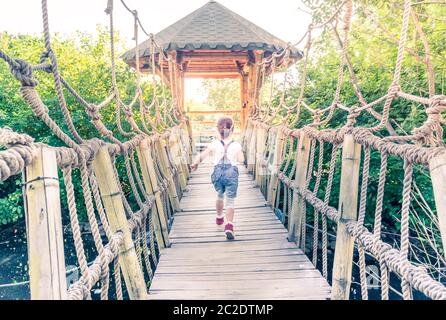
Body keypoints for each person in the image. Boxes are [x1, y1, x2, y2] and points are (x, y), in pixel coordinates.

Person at [191, 117, 244, 239]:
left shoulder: (214, 144)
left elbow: (202, 155)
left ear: (217, 130)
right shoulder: (236, 145)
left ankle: (219, 217)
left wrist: (195, 164)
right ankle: (229, 225)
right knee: (230, 200)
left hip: (217, 173)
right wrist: (239, 157)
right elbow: (241, 160)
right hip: (231, 174)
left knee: (220, 195)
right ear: (233, 129)